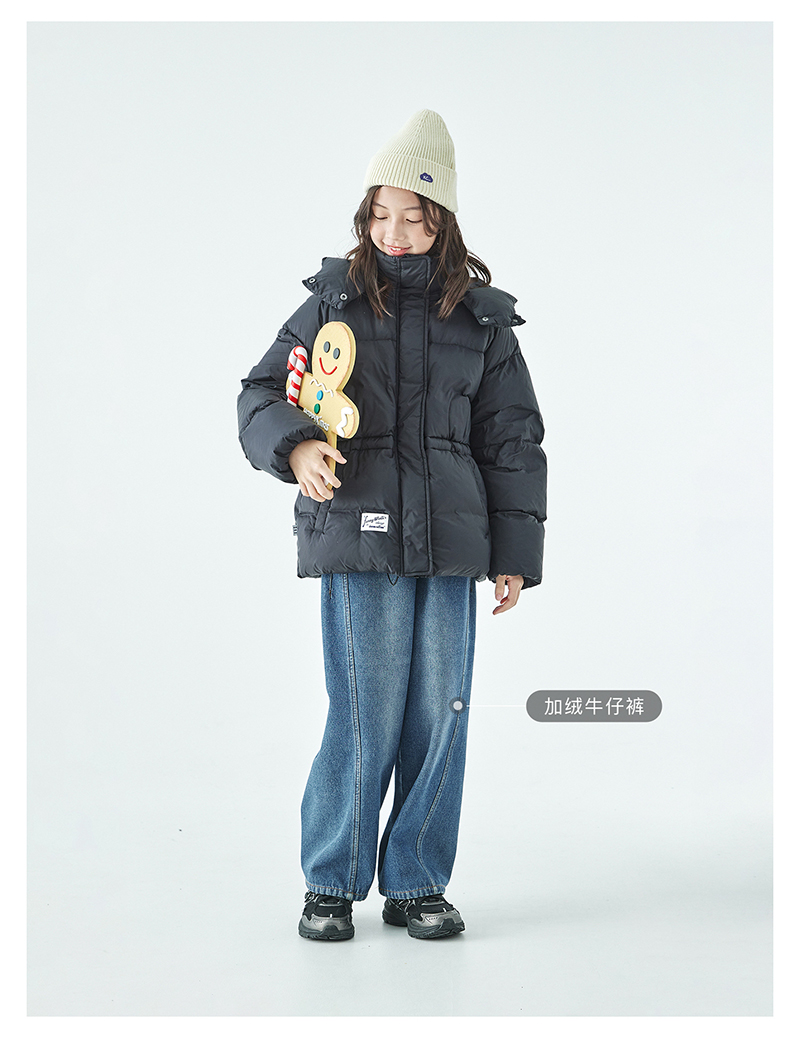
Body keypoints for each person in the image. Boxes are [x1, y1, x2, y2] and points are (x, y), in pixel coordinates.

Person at [236, 109, 547, 941]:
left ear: (443, 220)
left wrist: (515, 554)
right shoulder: (332, 303)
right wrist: (296, 444)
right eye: (380, 214)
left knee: (440, 712)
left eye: (413, 215)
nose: (394, 232)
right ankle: (330, 881)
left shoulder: (482, 322)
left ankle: (417, 881)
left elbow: (512, 440)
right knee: (364, 709)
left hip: (451, 546)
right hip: (359, 535)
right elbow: (262, 392)